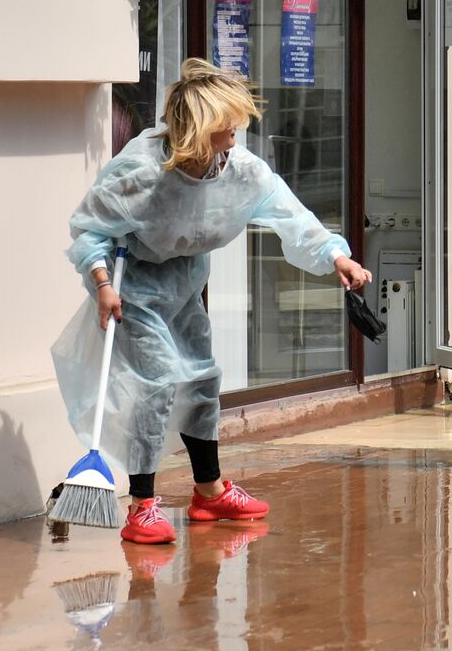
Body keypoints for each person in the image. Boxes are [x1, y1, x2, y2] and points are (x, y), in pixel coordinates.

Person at [51, 59, 372, 545]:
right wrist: (102, 284)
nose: (236, 132)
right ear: (199, 129)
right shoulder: (140, 173)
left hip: (185, 283)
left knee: (203, 378)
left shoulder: (240, 171)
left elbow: (292, 216)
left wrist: (334, 256)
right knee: (156, 382)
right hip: (134, 286)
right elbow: (91, 230)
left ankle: (209, 492)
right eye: (227, 124)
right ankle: (141, 507)